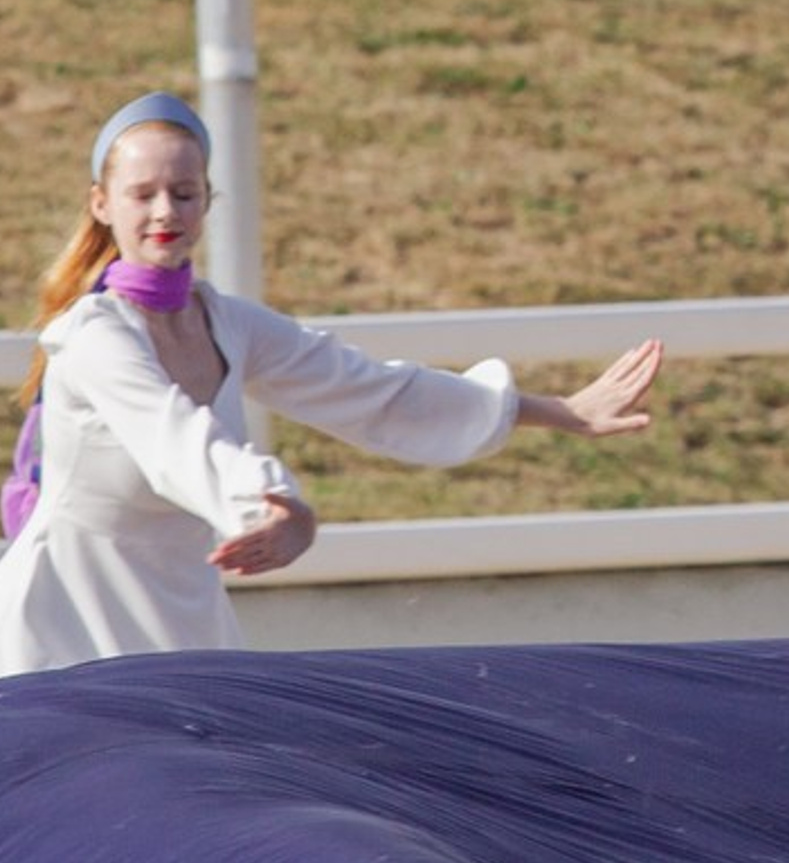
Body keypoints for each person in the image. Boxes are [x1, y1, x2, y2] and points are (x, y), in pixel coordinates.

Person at [0, 96, 663, 675]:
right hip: (61, 622)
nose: (165, 210)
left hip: (184, 618)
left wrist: (559, 411)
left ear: (208, 199)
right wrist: (276, 501)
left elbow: (373, 390)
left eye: (184, 191)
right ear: (101, 204)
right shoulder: (92, 336)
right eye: (142, 193)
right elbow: (175, 438)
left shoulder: (228, 322)